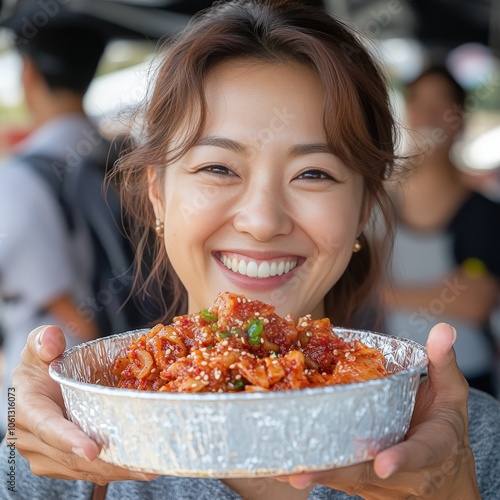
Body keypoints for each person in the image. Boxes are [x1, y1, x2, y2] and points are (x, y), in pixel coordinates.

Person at [1, 1, 499, 499]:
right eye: (218, 168)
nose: (262, 222)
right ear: (158, 194)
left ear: (364, 205)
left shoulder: (467, 441)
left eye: (313, 174)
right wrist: (9, 423)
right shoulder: (60, 442)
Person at [0, 6, 147, 437]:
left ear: (27, 73)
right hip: (131, 366)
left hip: (47, 376)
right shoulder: (128, 159)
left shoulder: (16, 177)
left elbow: (50, 292)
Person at [383, 66, 500, 395]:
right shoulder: (374, 206)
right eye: (419, 103)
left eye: (441, 104)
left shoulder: (484, 213)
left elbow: (476, 300)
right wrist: (440, 292)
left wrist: (380, 293)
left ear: (459, 119)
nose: (429, 116)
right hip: (389, 378)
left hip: (468, 382)